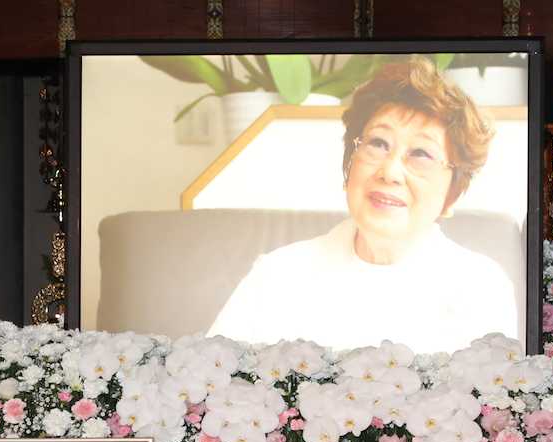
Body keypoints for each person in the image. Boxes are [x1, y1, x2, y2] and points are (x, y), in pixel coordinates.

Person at [207, 56, 519, 354]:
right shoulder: (277, 275)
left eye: (421, 154)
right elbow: (208, 377)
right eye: (378, 144)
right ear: (349, 166)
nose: (390, 171)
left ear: (452, 195)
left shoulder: (481, 288)